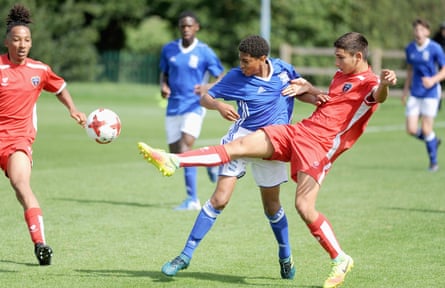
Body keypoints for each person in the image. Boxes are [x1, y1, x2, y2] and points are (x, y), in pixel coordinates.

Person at [138, 32, 397, 288]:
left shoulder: (368, 82)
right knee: (236, 148)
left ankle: (338, 258)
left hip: (320, 146)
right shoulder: (341, 75)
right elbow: (330, 103)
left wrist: (384, 84)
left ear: (358, 56)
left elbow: (376, 95)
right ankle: (173, 160)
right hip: (295, 131)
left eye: (340, 58)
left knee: (301, 207)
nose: (335, 63)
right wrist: (310, 89)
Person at [159, 35, 329, 279]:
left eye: (246, 61)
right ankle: (185, 255)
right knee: (219, 199)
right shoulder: (236, 77)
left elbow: (298, 89)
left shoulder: (282, 69)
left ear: (263, 59)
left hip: (275, 143)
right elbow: (206, 97)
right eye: (240, 60)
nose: (241, 65)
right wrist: (218, 106)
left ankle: (285, 254)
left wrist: (314, 96)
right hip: (243, 139)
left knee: (272, 207)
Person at [0, 4, 87, 265]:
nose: (22, 44)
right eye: (16, 39)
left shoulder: (39, 70)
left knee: (21, 186)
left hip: (17, 142)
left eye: (26, 40)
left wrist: (73, 109)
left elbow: (59, 87)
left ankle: (40, 244)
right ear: (7, 42)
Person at [159, 10, 224, 211]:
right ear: (179, 28)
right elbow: (164, 73)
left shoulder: (204, 51)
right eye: (182, 26)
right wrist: (163, 86)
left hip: (195, 105)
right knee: (176, 154)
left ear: (196, 27)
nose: (186, 29)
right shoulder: (169, 49)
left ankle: (192, 199)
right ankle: (211, 163)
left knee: (186, 149)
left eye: (190, 26)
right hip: (173, 105)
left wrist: (207, 88)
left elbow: (221, 76)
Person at [402, 19, 445, 172]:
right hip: (415, 93)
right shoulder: (410, 48)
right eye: (416, 30)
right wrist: (405, 91)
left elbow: (444, 71)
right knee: (411, 129)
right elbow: (410, 71)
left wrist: (433, 80)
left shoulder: (435, 48)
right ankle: (433, 141)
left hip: (431, 93)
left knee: (426, 129)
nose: (418, 33)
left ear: (427, 31)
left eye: (421, 30)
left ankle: (433, 163)